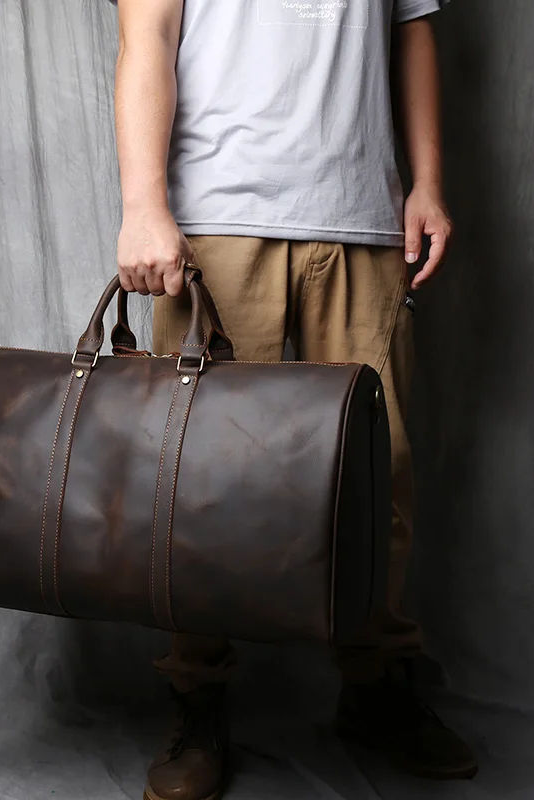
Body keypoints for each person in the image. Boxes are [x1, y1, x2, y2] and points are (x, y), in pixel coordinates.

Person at [108, 0, 478, 796]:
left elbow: (411, 25)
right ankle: (197, 693)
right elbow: (149, 35)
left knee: (379, 476)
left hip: (363, 216)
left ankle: (375, 684)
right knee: (196, 482)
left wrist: (428, 183)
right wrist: (143, 205)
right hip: (216, 218)